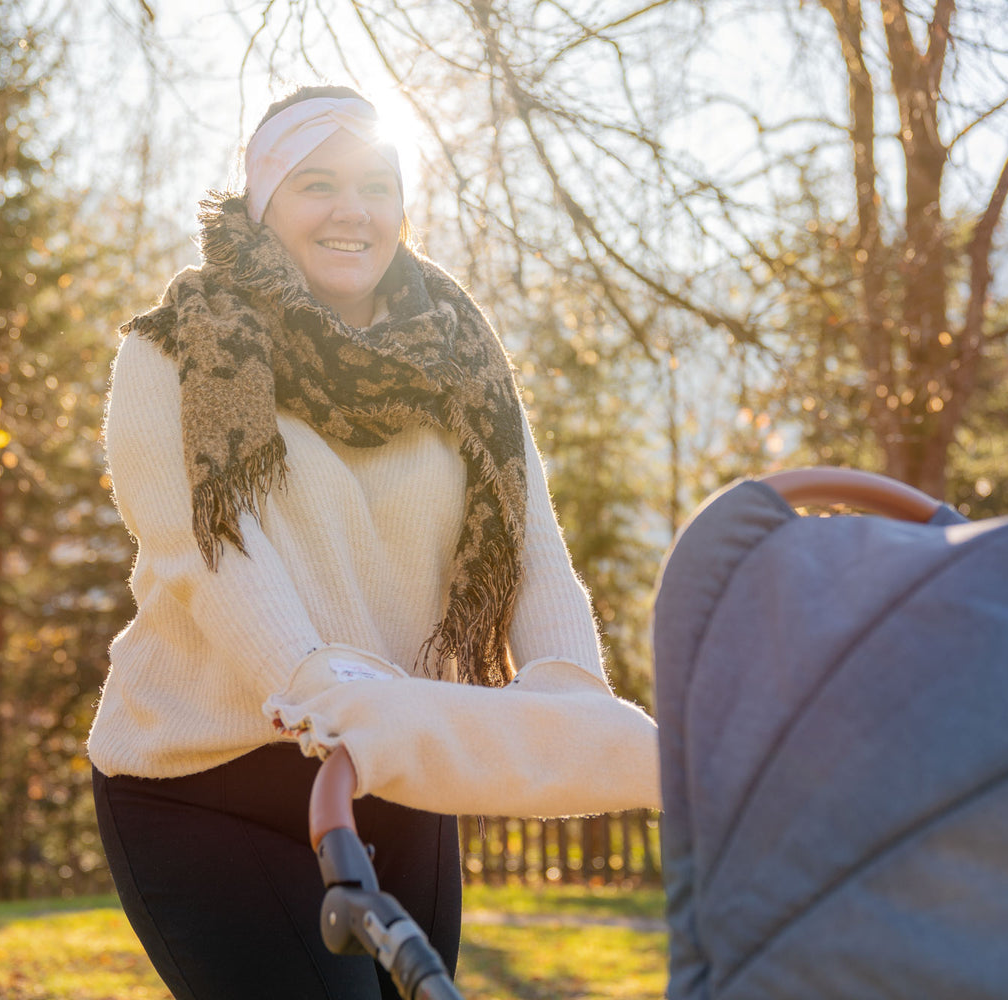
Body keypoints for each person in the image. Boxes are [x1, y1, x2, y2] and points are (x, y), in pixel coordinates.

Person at [87, 84, 660, 1000]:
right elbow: (205, 553)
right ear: (262, 205)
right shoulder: (178, 354)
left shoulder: (463, 359)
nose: (353, 210)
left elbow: (532, 546)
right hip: (207, 780)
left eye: (377, 184)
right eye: (317, 183)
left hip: (393, 761)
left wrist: (572, 694)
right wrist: (315, 682)